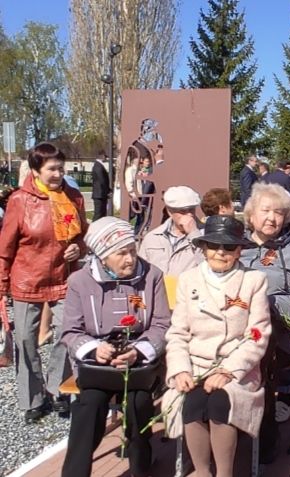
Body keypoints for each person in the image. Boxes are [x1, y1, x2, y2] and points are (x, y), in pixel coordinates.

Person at [162, 215, 271, 477]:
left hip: (237, 368)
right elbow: (177, 332)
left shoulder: (253, 280)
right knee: (192, 401)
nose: (220, 252)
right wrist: (180, 369)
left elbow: (257, 335)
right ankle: (202, 472)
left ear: (239, 250)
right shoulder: (188, 280)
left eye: (228, 247)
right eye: (213, 245)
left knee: (220, 402)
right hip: (196, 365)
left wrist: (229, 371)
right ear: (203, 248)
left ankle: (224, 473)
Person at [60, 217, 170, 477]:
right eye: (121, 253)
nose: (130, 259)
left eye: (132, 250)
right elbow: (70, 331)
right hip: (98, 365)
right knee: (89, 405)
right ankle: (74, 472)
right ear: (101, 255)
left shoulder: (151, 276)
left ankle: (141, 466)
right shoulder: (79, 282)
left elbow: (162, 324)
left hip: (139, 363)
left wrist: (139, 351)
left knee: (138, 403)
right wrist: (94, 349)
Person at [0, 142, 89, 422]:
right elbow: (5, 248)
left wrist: (79, 247)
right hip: (27, 281)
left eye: (61, 168)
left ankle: (58, 388)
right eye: (51, 169)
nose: (57, 174)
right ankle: (32, 400)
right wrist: (2, 286)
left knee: (67, 333)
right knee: (26, 340)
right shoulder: (20, 200)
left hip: (65, 278)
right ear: (37, 170)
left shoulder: (73, 197)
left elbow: (83, 235)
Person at [240, 182, 290, 461]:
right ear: (251, 214)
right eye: (266, 210)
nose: (272, 217)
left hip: (282, 337)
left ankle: (264, 430)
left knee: (262, 349)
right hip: (233, 333)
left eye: (279, 212)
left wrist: (266, 303)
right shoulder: (235, 247)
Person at [138, 185, 203, 277]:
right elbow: (141, 271)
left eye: (192, 209)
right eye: (183, 211)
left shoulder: (205, 235)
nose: (189, 215)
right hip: (159, 290)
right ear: (169, 211)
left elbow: (210, 267)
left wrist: (194, 234)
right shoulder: (152, 238)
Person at [91, 154, 110, 221]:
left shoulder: (98, 165)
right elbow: (102, 180)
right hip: (99, 194)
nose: (106, 159)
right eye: (106, 157)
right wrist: (107, 191)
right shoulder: (98, 166)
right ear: (102, 157)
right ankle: (94, 228)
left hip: (100, 194)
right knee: (98, 214)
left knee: (102, 213)